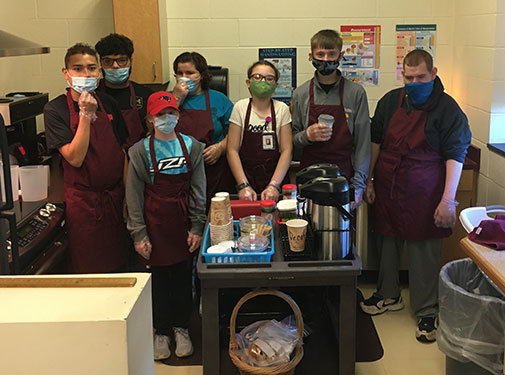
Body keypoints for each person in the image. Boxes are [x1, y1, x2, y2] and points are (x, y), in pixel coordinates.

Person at [360, 49, 472, 343]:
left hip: (425, 190)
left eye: (420, 77)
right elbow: (376, 141)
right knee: (385, 239)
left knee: (424, 249)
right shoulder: (390, 102)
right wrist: (370, 180)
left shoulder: (448, 110)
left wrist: (448, 200)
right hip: (388, 186)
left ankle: (426, 310)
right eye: (408, 77)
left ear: (433, 73)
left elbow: (456, 155)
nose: (413, 82)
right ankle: (388, 294)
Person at [125, 91, 206, 359]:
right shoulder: (138, 151)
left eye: (171, 113)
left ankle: (181, 327)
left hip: (182, 222)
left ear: (179, 115)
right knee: (158, 279)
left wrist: (196, 226)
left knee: (183, 277)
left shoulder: (192, 147)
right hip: (153, 223)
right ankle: (160, 330)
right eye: (160, 114)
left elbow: (198, 189)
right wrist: (139, 234)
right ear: (150, 118)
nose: (167, 118)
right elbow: (133, 195)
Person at [43, 43, 129, 273]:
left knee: (120, 267)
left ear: (99, 72)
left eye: (91, 68)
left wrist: (127, 197)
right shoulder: (55, 110)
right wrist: (85, 115)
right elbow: (75, 157)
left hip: (114, 198)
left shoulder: (108, 103)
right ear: (66, 73)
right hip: (84, 205)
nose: (85, 74)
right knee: (90, 270)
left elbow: (122, 153)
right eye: (78, 69)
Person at [291, 29, 370, 207]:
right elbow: (292, 138)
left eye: (331, 54)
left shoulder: (356, 93)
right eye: (320, 54)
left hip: (343, 177)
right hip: (308, 176)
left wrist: (358, 185)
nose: (326, 59)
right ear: (311, 56)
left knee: (341, 231)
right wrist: (307, 136)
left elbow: (363, 144)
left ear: (340, 55)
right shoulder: (300, 93)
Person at [171, 52, 235, 200]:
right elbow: (155, 129)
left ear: (202, 75)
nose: (184, 77)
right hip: (179, 172)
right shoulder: (167, 98)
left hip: (213, 171)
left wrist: (221, 147)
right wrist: (176, 98)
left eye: (190, 73)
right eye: (179, 73)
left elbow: (235, 131)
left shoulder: (219, 99)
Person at [227, 60, 292, 201]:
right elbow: (232, 150)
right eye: (257, 77)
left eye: (269, 78)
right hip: (245, 177)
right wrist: (243, 185)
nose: (263, 81)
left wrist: (274, 185)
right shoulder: (240, 107)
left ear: (275, 85)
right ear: (248, 82)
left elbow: (286, 150)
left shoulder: (282, 109)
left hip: (276, 178)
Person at [95, 33, 154, 148]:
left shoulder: (146, 95)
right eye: (108, 61)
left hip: (139, 159)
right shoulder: (93, 96)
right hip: (106, 159)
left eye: (121, 60)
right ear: (100, 63)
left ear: (130, 61)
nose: (115, 66)